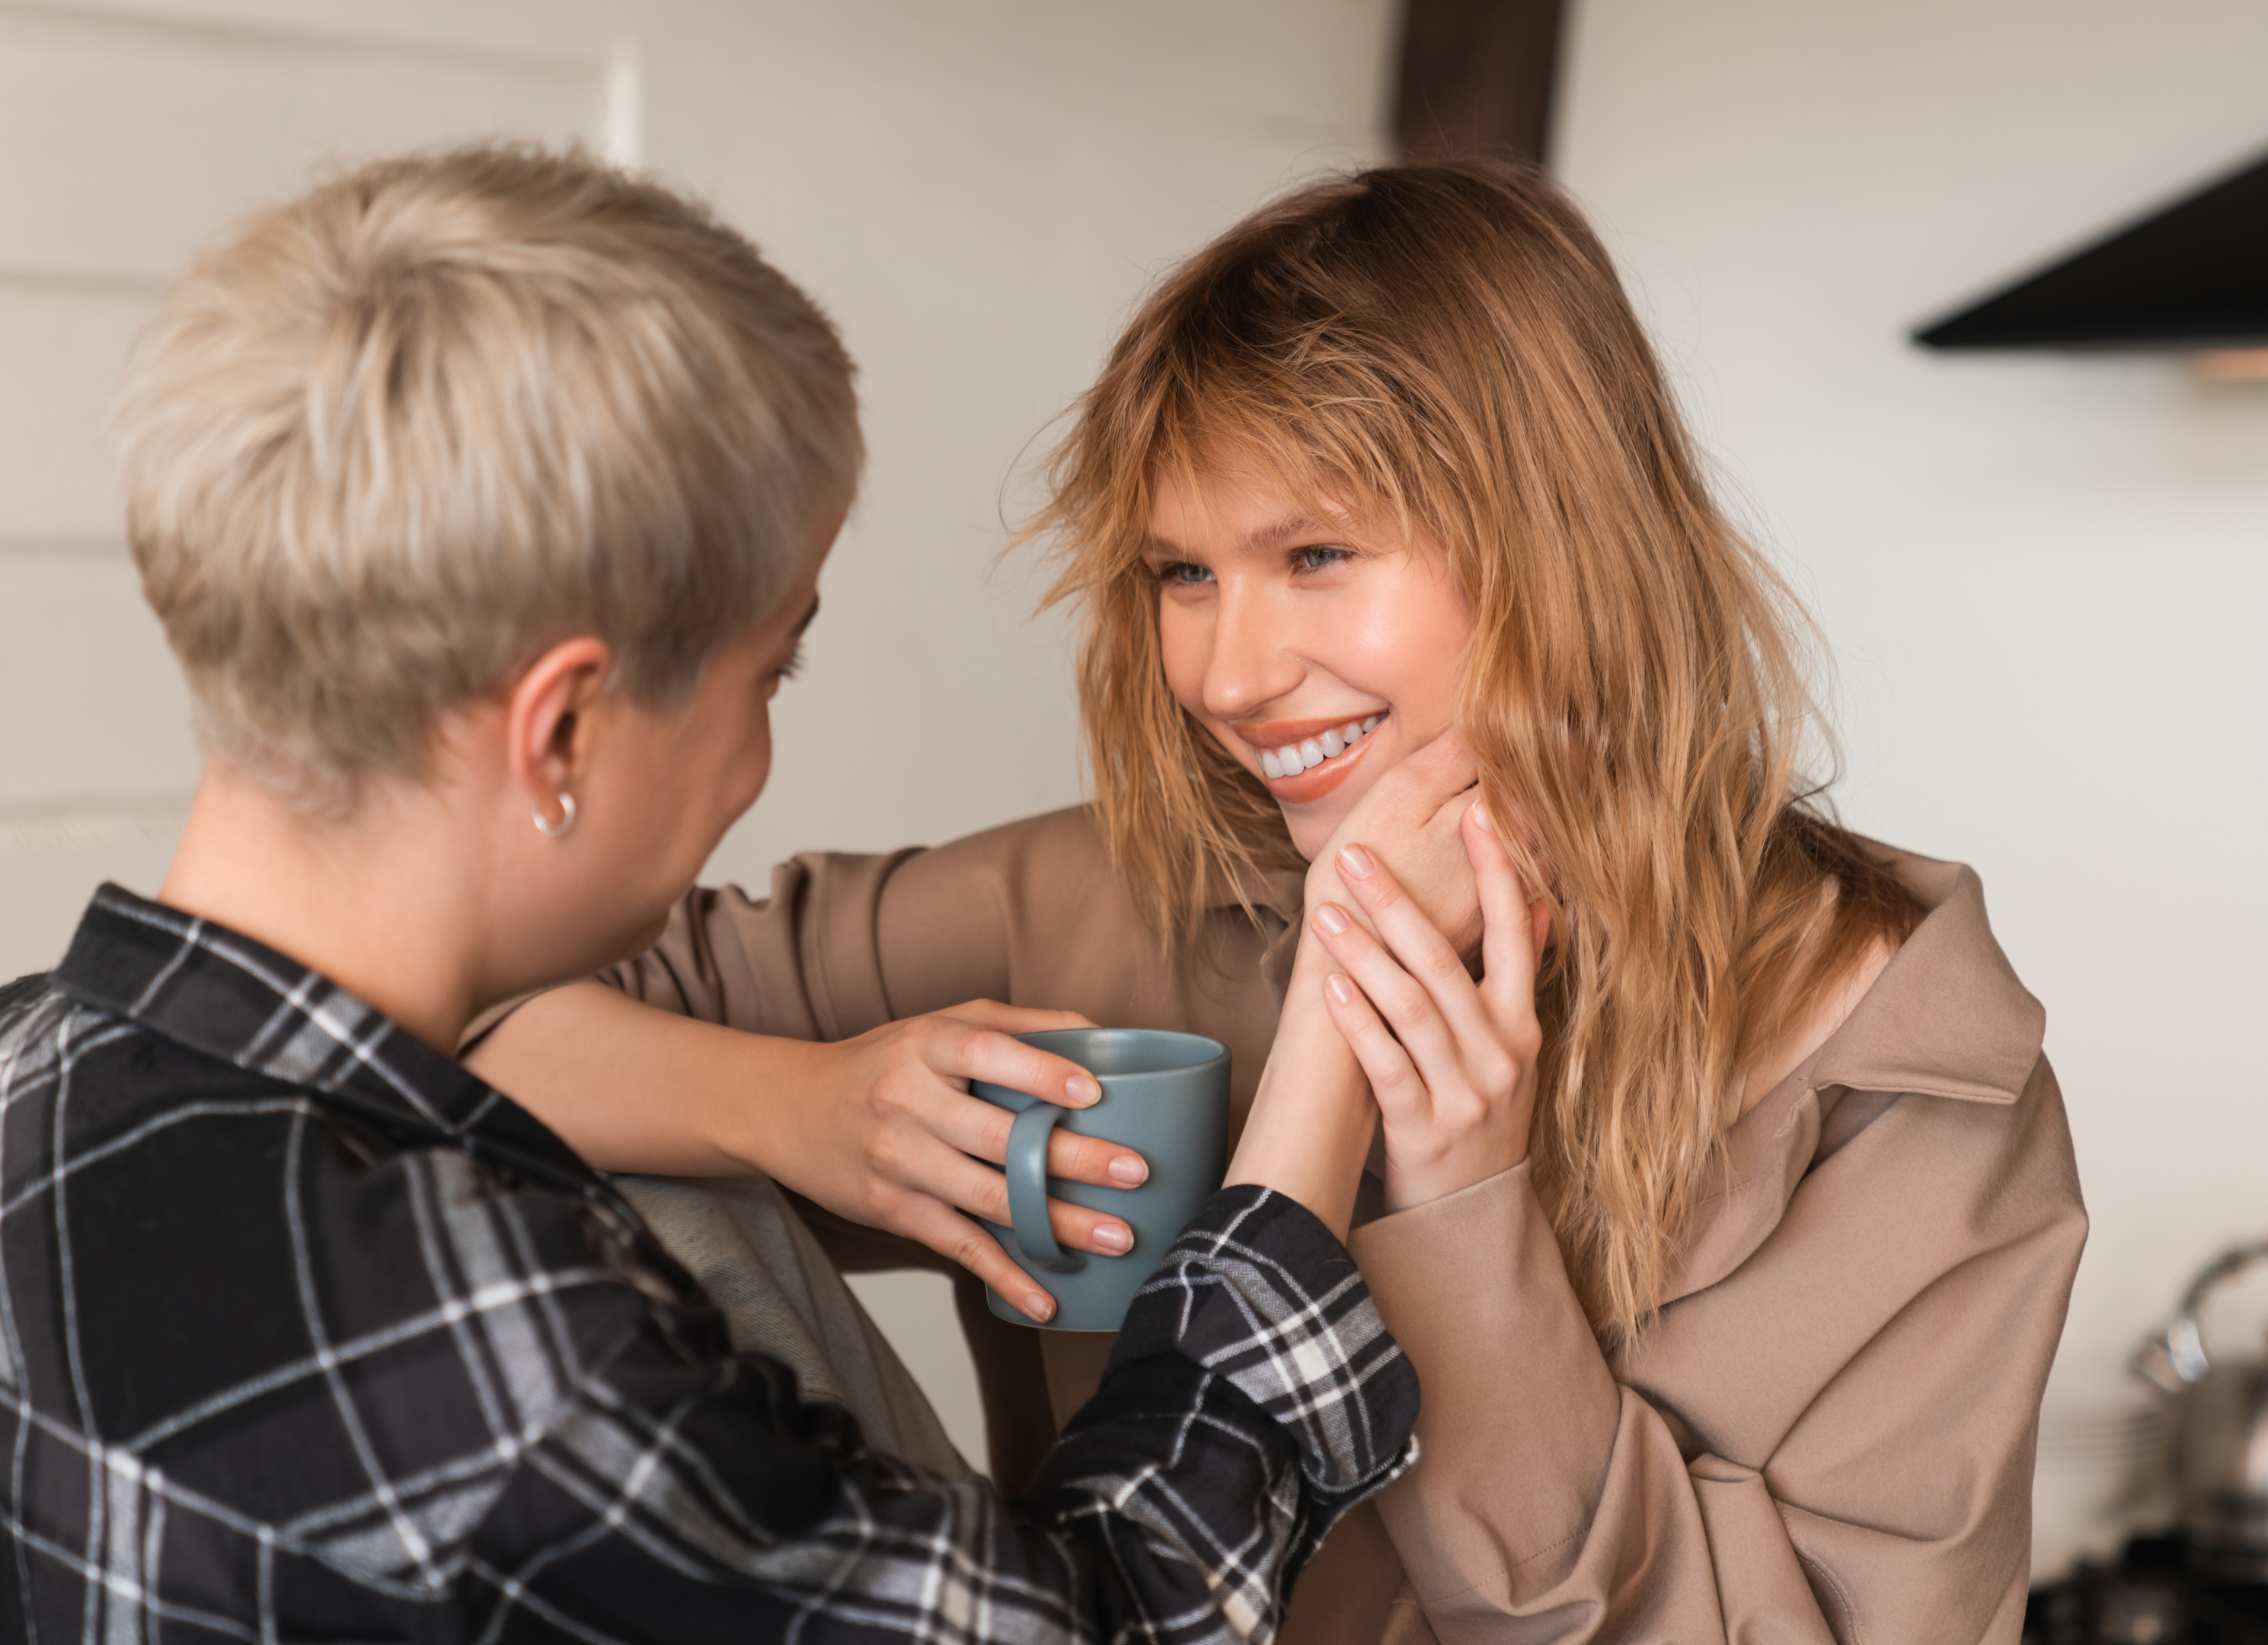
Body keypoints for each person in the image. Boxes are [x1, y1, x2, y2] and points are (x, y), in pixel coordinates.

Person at [0, 145, 1424, 1643]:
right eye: (765, 672)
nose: (750, 767)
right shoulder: (501, 1368)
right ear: (562, 728)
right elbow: (1111, 1620)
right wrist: (1322, 1085)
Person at [471, 164, 2088, 1640]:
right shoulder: (1098, 898)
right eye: (1183, 574)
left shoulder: (1910, 1090)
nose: (1227, 677)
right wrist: (798, 1108)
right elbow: (424, 1019)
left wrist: (1466, 1213)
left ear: (1561, 543)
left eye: (1313, 553)